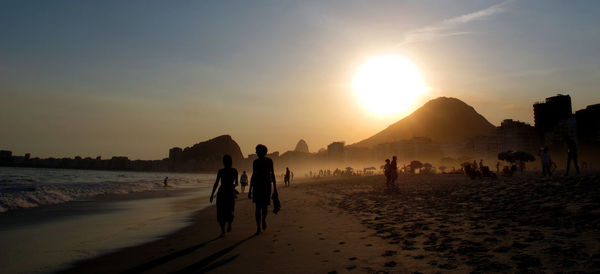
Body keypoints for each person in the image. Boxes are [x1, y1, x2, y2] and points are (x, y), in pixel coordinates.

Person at [248, 144, 278, 235]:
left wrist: (275, 189)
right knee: (257, 208)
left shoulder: (269, 161)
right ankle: (258, 228)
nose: (256, 152)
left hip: (266, 186)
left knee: (264, 208)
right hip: (257, 186)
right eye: (256, 151)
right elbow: (253, 175)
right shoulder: (255, 162)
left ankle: (263, 219)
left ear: (263, 152)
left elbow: (272, 174)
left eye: (257, 151)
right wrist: (250, 190)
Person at [209, 155, 239, 237]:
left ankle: (229, 223)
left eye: (226, 161)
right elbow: (216, 183)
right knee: (220, 213)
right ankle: (223, 231)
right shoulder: (220, 171)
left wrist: (233, 186)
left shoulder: (234, 171)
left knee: (230, 211)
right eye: (224, 161)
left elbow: (237, 183)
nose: (225, 163)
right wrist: (212, 194)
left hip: (230, 192)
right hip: (221, 193)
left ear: (230, 162)